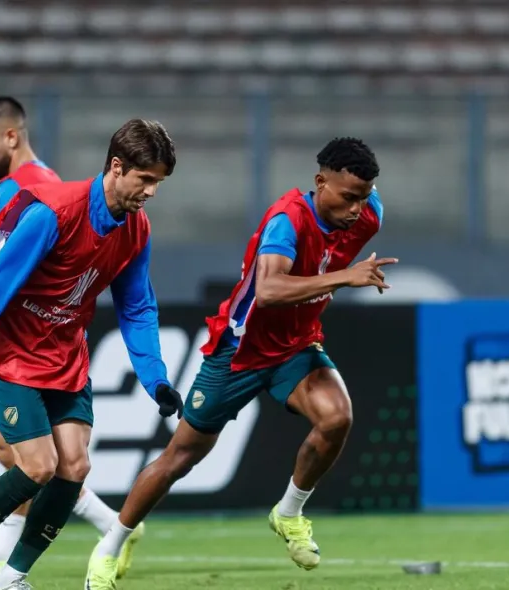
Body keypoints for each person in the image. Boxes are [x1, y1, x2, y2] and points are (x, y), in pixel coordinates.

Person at [84, 137, 393, 588]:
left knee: (337, 416)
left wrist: (360, 213)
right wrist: (346, 277)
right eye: (347, 197)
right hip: (240, 349)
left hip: (297, 346)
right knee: (180, 457)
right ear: (319, 182)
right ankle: (109, 547)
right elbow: (268, 291)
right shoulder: (287, 221)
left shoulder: (368, 212)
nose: (355, 209)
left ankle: (288, 513)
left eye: (363, 197)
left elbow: (362, 197)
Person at [0, 119, 185, 590]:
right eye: (146, 179)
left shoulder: (136, 229)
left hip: (66, 358)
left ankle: (12, 578)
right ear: (116, 167)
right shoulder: (55, 212)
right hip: (11, 356)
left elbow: (137, 305)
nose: (151, 191)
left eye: (158, 182)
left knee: (74, 466)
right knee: (37, 465)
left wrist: (155, 379)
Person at [0, 96, 146, 583]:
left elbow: (5, 270)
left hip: (30, 346)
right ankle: (11, 554)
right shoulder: (23, 185)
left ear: (11, 136)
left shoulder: (36, 191)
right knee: (29, 456)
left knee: (33, 458)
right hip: (26, 342)